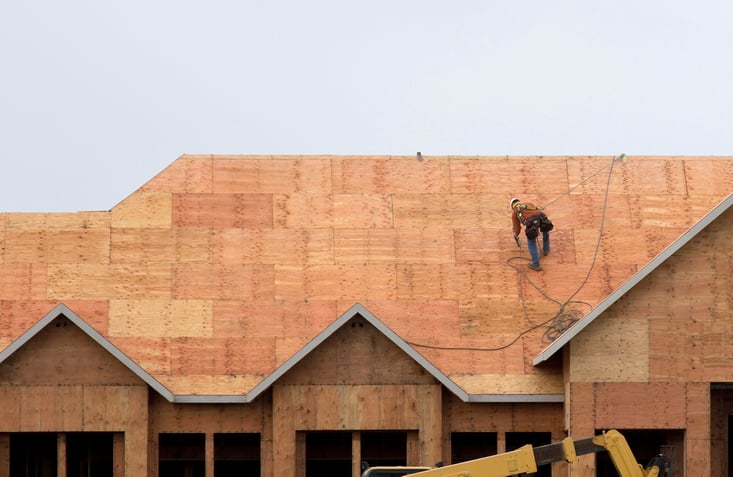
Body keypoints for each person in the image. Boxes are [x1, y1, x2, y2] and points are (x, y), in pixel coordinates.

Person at [510, 198, 553, 271]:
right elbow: (536, 210)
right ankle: (546, 250)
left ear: (512, 206)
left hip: (532, 223)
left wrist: (515, 235)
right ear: (519, 202)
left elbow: (517, 228)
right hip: (541, 217)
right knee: (545, 231)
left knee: (531, 243)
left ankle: (536, 264)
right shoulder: (527, 203)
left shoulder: (515, 213)